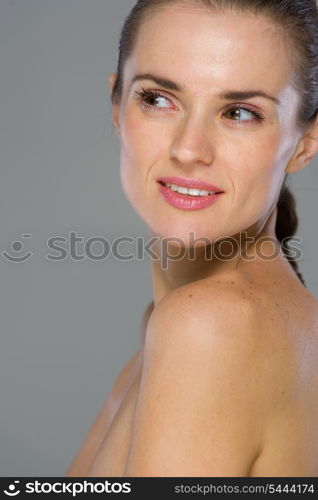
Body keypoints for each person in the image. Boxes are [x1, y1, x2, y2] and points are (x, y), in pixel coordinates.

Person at [64, 0, 318, 477]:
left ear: (304, 142)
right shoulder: (170, 334)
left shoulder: (212, 327)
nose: (188, 149)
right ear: (117, 105)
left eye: (240, 112)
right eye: (158, 99)